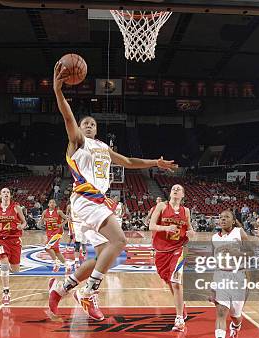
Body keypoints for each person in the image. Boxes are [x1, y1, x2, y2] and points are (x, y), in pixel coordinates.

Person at [47, 61, 177, 321]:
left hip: (98, 203)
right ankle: (89, 292)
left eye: (92, 124)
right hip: (85, 199)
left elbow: (128, 162)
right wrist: (57, 90)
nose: (88, 126)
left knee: (100, 259)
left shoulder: (104, 147)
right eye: (85, 123)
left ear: (97, 129)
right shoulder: (78, 142)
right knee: (119, 241)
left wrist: (155, 162)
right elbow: (67, 116)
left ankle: (62, 288)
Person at [149, 184, 195, 332]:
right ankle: (182, 306)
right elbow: (151, 225)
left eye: (179, 189)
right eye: (173, 188)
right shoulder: (162, 206)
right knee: (168, 280)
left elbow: (189, 228)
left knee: (176, 280)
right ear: (170, 193)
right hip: (162, 250)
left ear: (183, 195)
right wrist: (165, 228)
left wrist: (191, 232)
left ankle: (179, 319)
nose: (175, 190)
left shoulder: (186, 211)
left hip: (179, 248)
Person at [211, 210, 252, 338]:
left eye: (226, 217)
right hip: (221, 276)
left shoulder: (239, 232)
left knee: (235, 315)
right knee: (221, 311)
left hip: (239, 277)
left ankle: (236, 326)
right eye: (220, 217)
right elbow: (214, 261)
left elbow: (251, 253)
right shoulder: (215, 237)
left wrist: (236, 253)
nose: (222, 219)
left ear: (233, 221)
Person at [0, 188, 27, 306]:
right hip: (0, 239)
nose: (6, 194)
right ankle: (6, 292)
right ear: (0, 195)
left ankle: (7, 267)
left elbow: (24, 222)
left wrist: (22, 226)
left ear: (10, 195)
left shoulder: (16, 208)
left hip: (14, 239)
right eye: (4, 192)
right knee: (4, 262)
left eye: (8, 192)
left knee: (15, 270)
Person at [40, 199, 69, 273]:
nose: (52, 204)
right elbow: (41, 222)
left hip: (57, 233)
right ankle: (67, 265)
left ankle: (56, 263)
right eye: (50, 202)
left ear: (55, 205)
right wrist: (42, 221)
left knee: (47, 247)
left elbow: (66, 219)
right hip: (49, 233)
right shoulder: (45, 212)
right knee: (56, 251)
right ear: (48, 204)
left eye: (53, 202)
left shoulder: (59, 212)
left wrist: (60, 225)